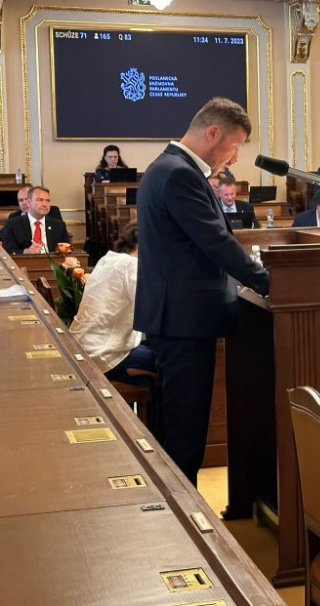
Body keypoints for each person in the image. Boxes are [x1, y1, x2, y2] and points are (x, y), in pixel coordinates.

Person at [134, 97, 270, 487]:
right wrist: (268, 281)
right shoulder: (179, 174)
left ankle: (176, 515)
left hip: (176, 318)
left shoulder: (166, 168)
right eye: (236, 144)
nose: (236, 157)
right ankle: (187, 528)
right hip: (184, 322)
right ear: (213, 133)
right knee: (184, 429)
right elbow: (216, 242)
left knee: (175, 424)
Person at [70, 220, 156, 387]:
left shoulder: (108, 259)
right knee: (173, 362)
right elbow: (150, 309)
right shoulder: (131, 265)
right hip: (103, 353)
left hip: (83, 347)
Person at [2, 186, 71, 254]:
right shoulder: (13, 224)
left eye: (47, 201)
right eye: (40, 200)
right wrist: (25, 252)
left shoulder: (59, 225)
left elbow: (68, 248)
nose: (45, 204)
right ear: (29, 202)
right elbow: (8, 251)